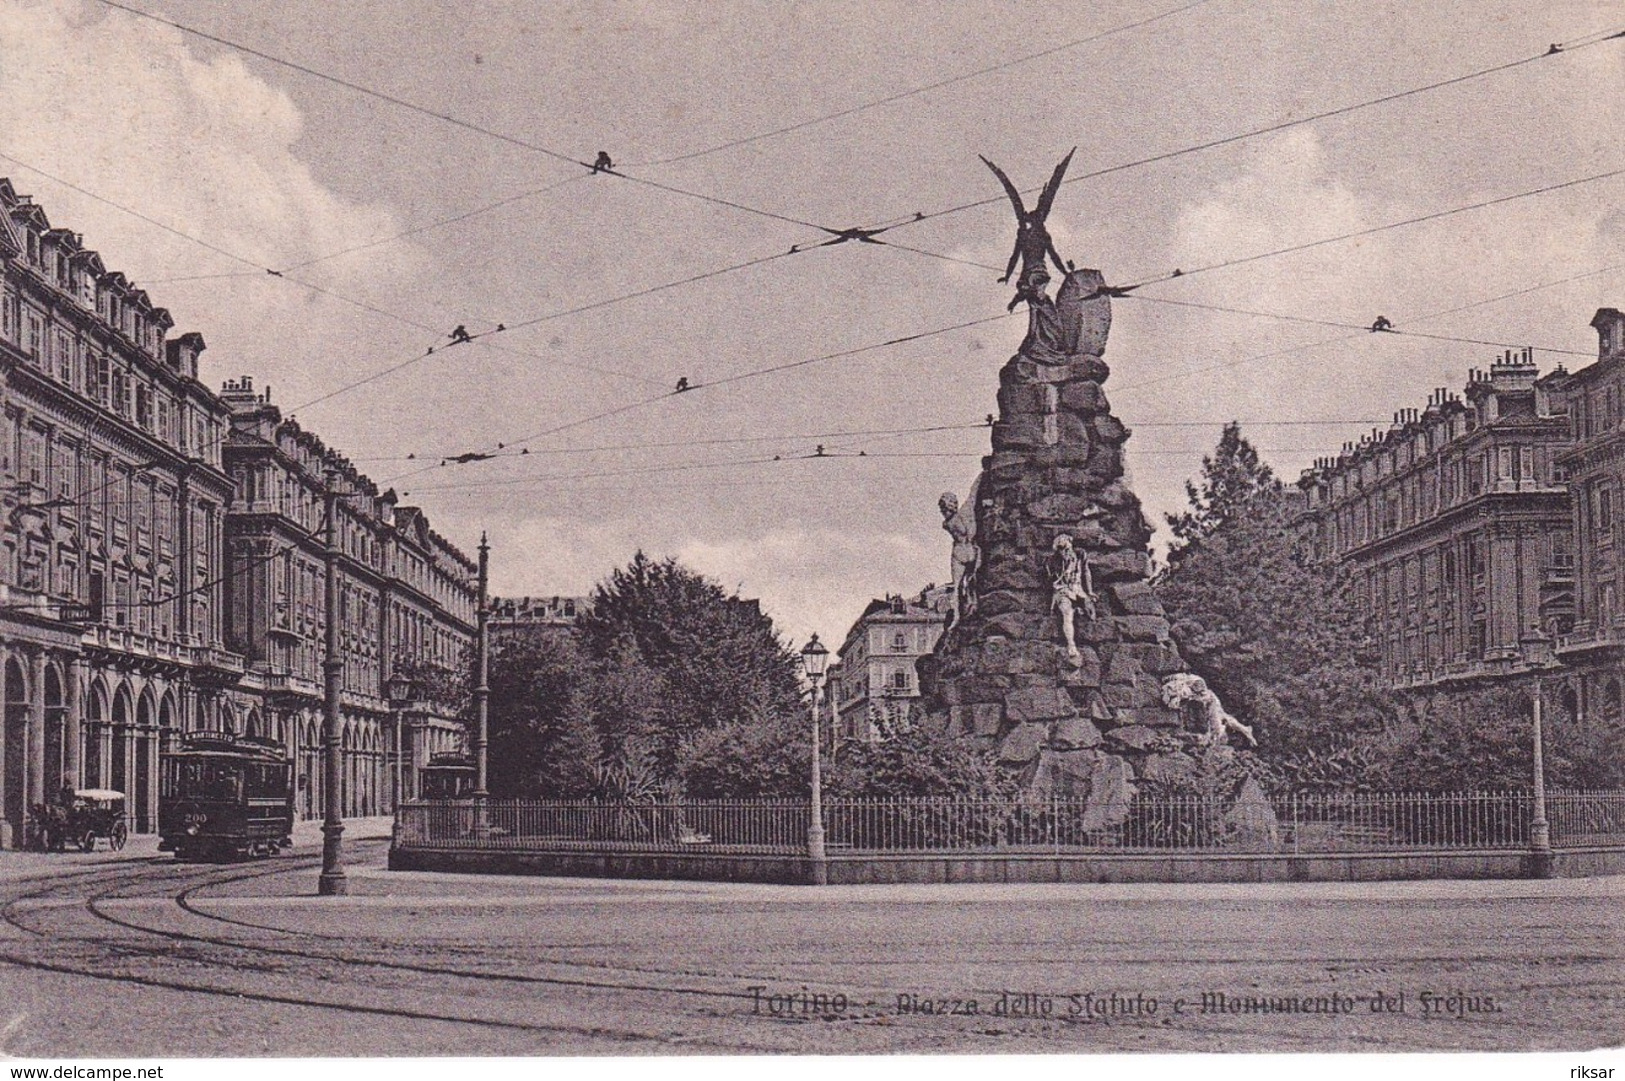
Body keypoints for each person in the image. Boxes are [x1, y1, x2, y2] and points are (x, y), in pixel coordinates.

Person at [1049, 534, 1096, 664]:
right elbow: (1053, 580)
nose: (1064, 551)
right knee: (1067, 614)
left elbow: (1086, 572)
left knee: (1090, 613)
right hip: (1063, 590)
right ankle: (1071, 645)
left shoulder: (1080, 554)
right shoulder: (1053, 560)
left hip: (1078, 590)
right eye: (1061, 549)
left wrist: (1090, 591)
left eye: (1066, 547)